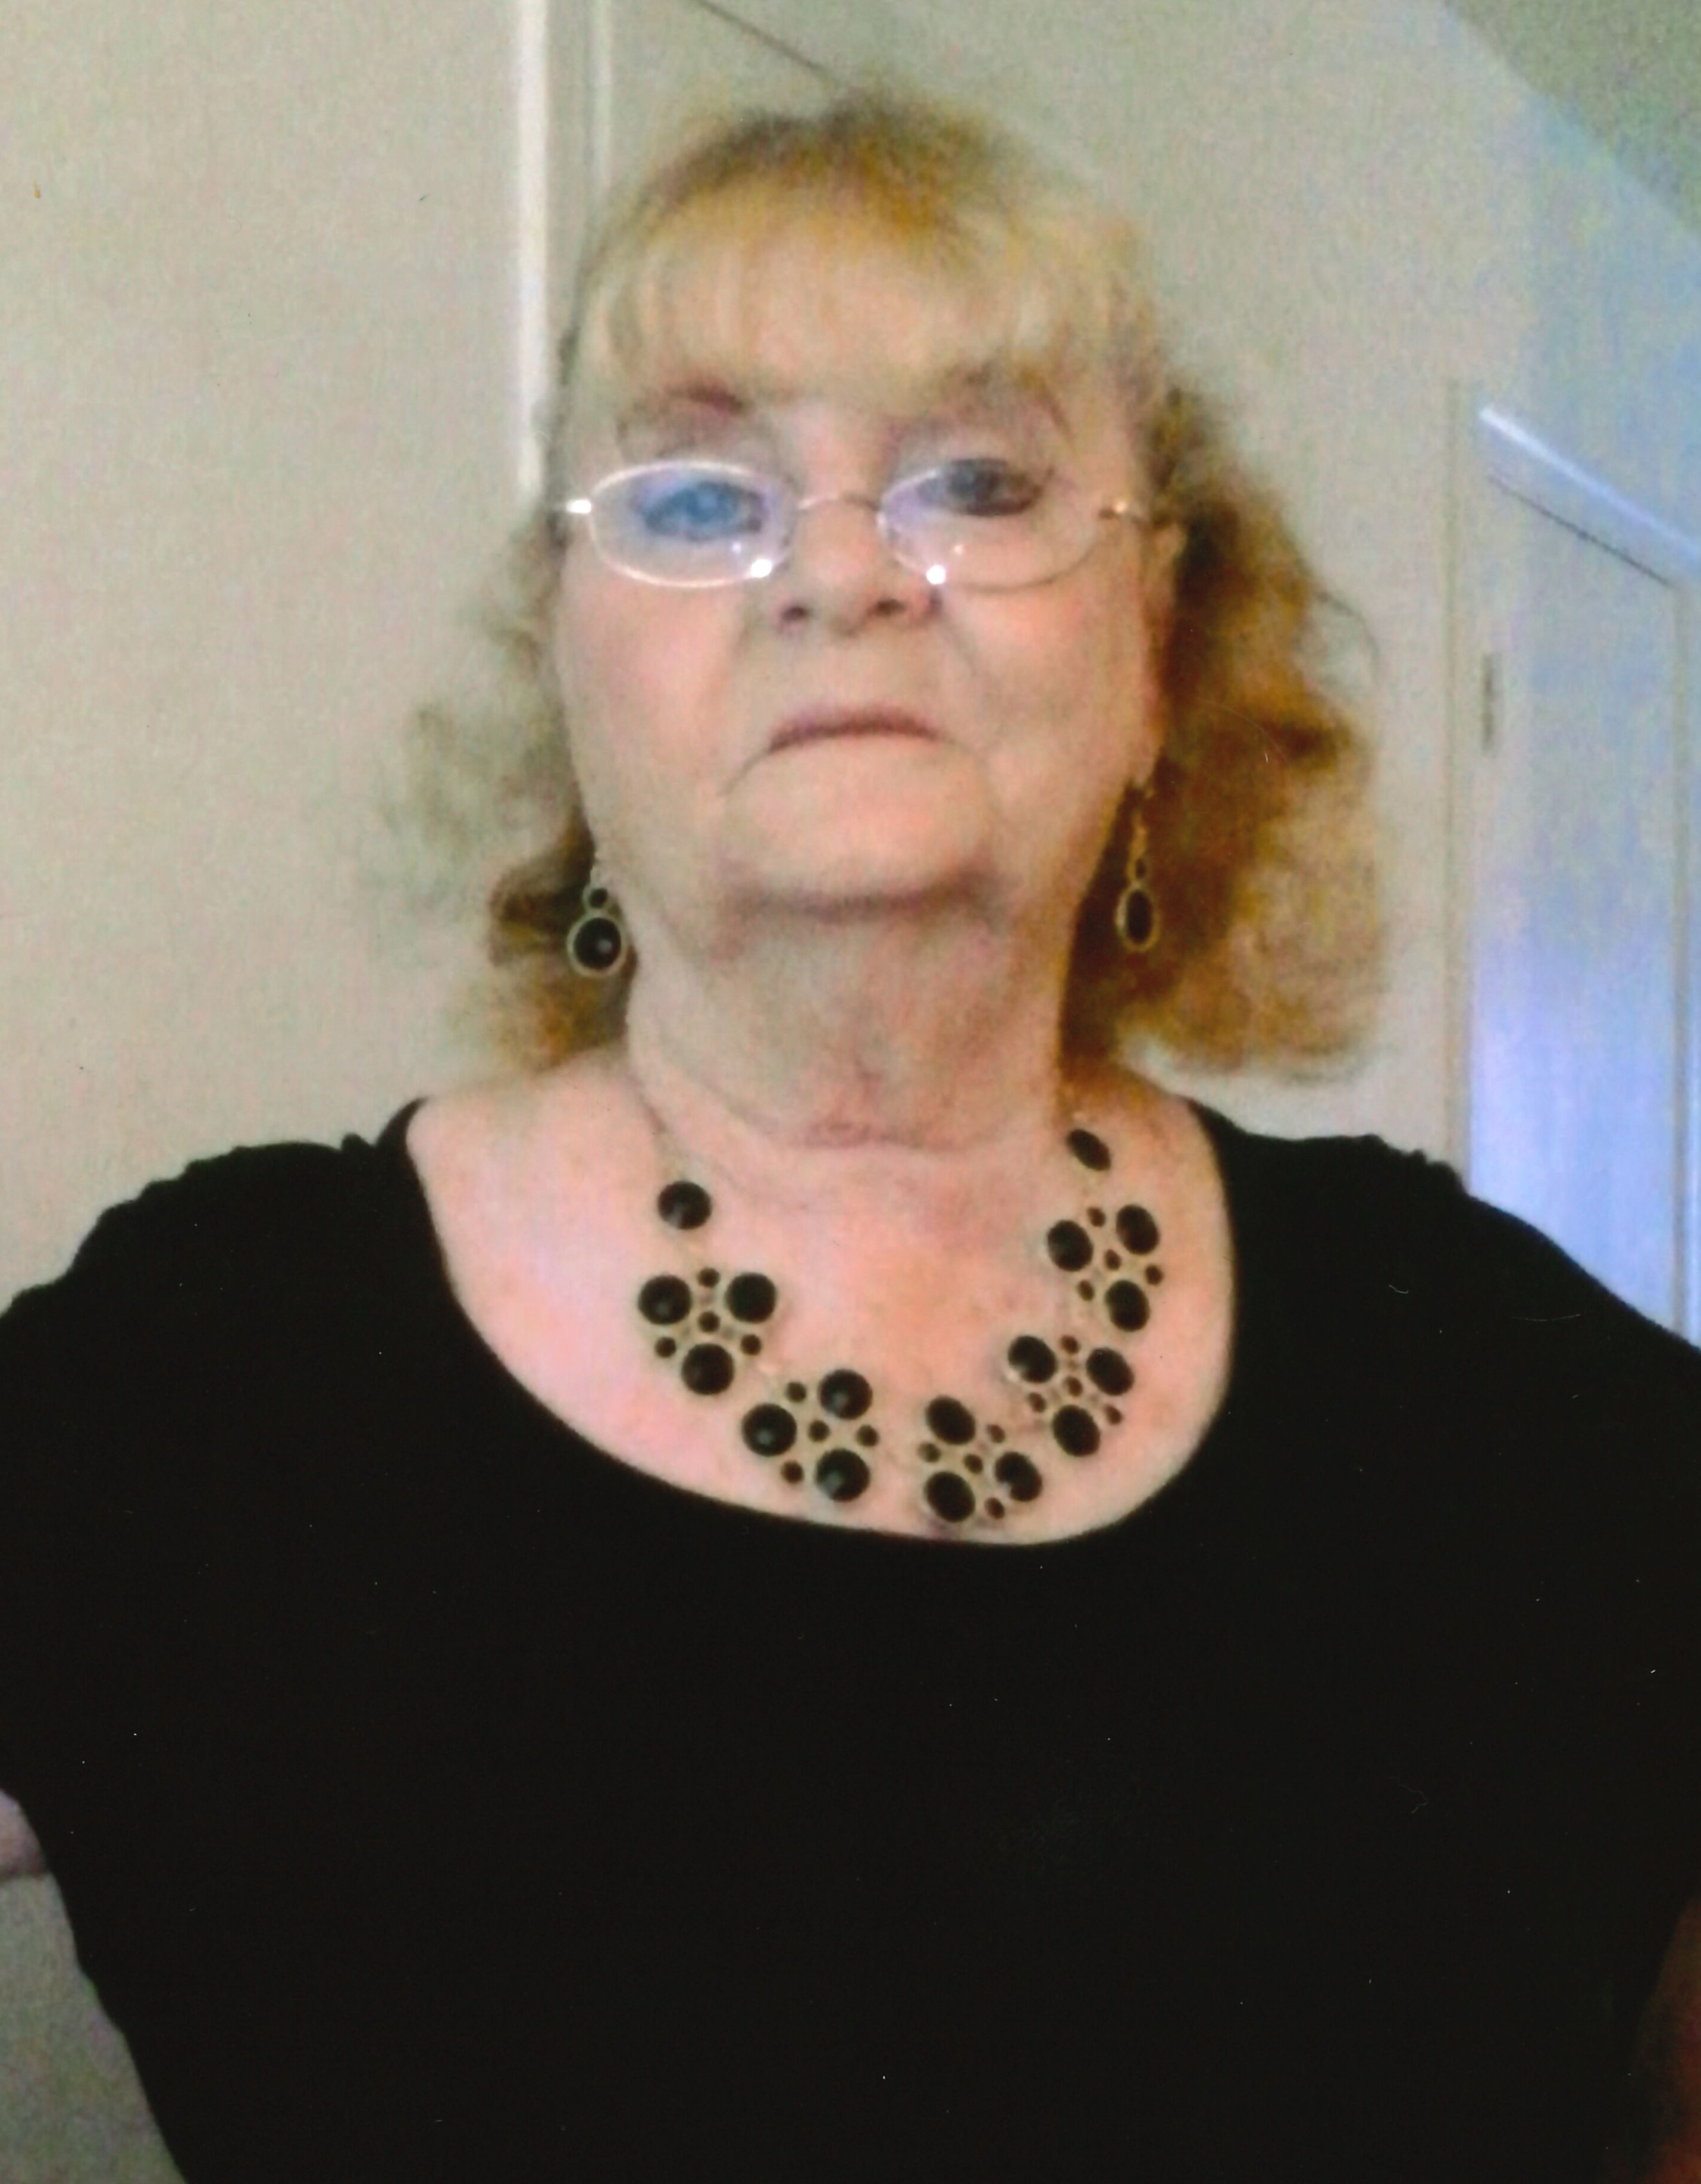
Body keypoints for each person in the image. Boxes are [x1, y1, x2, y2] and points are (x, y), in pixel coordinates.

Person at [2, 89, 1697, 2184]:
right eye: (697, 495)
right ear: (567, 666)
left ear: (1156, 652)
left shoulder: (1476, 1368)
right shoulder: (209, 1370)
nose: (833, 573)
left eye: (973, 479)